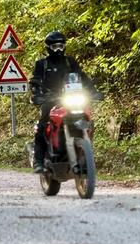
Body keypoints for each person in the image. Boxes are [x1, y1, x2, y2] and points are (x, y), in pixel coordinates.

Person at [29, 31, 99, 174]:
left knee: (86, 118)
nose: (58, 50)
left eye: (61, 46)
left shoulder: (70, 61)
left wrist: (93, 90)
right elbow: (35, 80)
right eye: (55, 47)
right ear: (48, 48)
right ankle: (39, 160)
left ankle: (85, 154)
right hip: (50, 99)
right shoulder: (42, 64)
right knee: (43, 124)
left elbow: (82, 76)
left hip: (71, 97)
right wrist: (37, 94)